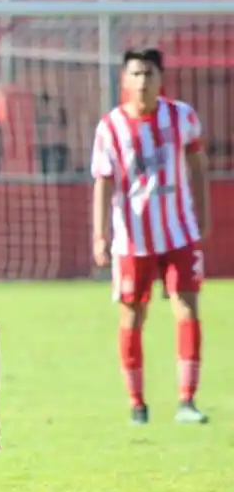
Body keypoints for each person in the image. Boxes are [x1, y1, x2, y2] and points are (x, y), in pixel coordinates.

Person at [90, 47, 210, 425]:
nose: (143, 81)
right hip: (132, 239)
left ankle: (187, 400)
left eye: (149, 74)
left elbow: (197, 166)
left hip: (179, 233)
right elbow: (103, 183)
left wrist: (203, 216)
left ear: (161, 79)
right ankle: (137, 404)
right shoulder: (110, 127)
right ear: (124, 80)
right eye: (136, 74)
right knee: (132, 315)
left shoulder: (182, 117)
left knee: (187, 307)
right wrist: (99, 235)